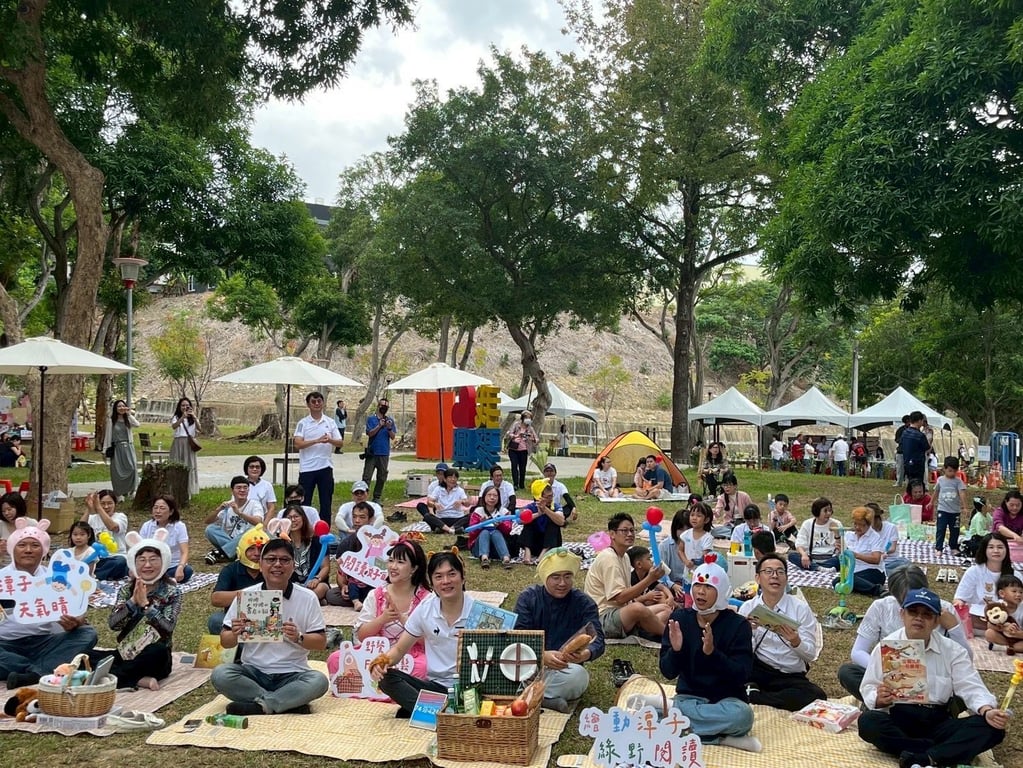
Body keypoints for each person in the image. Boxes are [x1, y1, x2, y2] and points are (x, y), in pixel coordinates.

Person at [858, 588, 1007, 768]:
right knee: (868, 722)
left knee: (992, 728)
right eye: (913, 612)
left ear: (936, 621)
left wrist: (986, 710)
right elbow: (868, 687)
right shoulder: (886, 647)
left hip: (938, 721)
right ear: (902, 615)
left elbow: (970, 685)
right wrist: (879, 699)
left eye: (927, 614)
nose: (919, 618)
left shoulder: (953, 650)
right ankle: (938, 753)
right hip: (900, 718)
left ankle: (923, 757)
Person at [212, 537, 329, 715]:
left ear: (293, 565)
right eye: (271, 559)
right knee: (220, 674)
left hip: (293, 673)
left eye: (284, 560)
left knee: (319, 681)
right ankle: (286, 702)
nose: (277, 564)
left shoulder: (307, 597)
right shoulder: (247, 596)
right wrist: (235, 633)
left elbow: (320, 642)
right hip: (253, 672)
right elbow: (225, 641)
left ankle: (262, 705)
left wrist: (299, 637)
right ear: (261, 564)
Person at [659, 560, 760, 753]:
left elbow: (742, 675)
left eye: (708, 586)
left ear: (721, 591)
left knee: (743, 716)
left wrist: (713, 654)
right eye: (697, 585)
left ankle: (676, 721)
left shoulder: (738, 625)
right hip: (688, 698)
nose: (700, 592)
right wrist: (677, 650)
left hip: (726, 702)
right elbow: (667, 672)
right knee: (646, 716)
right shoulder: (679, 620)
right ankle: (721, 739)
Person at [837, 565, 971, 700]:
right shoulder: (881, 607)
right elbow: (857, 652)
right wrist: (887, 670)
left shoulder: (944, 610)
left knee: (961, 689)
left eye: (924, 612)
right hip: (891, 677)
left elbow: (966, 658)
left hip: (933, 677)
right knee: (848, 672)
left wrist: (954, 628)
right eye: (908, 607)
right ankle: (881, 701)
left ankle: (917, 709)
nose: (918, 616)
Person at [371, 551, 477, 717]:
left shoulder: (479, 612)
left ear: (463, 577)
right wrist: (381, 663)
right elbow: (399, 650)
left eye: (452, 574)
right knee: (386, 679)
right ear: (432, 583)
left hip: (471, 688)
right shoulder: (426, 609)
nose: (446, 581)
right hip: (437, 687)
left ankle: (424, 710)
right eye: (439, 576)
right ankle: (437, 713)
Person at [0, 519, 97, 689]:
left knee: (87, 633)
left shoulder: (56, 579)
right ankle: (40, 669)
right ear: (13, 549)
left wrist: (75, 623)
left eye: (35, 546)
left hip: (44, 642)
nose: (28, 550)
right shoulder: (3, 579)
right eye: (22, 545)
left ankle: (33, 673)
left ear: (44, 551)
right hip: (5, 643)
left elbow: (79, 614)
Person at [327, 537, 430, 684]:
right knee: (335, 659)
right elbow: (362, 636)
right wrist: (383, 619)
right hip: (374, 652)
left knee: (423, 667)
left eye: (400, 562)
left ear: (414, 568)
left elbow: (430, 641)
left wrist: (401, 618)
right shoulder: (376, 594)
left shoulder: (426, 599)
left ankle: (385, 686)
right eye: (391, 560)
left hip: (411, 655)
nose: (393, 566)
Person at [514, 548, 605, 713]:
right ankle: (543, 698)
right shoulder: (528, 599)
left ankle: (527, 694)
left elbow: (597, 639)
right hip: (529, 664)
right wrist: (541, 655)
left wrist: (585, 654)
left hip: (563, 669)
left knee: (579, 677)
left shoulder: (584, 603)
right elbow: (518, 637)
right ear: (545, 577)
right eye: (556, 577)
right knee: (504, 661)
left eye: (567, 577)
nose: (562, 583)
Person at [94, 528, 182, 690]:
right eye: (141, 560)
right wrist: (133, 601)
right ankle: (135, 679)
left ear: (163, 562)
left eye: (153, 559)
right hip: (126, 652)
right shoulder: (126, 590)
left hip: (153, 655)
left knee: (159, 651)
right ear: (134, 563)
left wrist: (146, 606)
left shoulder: (172, 592)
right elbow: (114, 625)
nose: (147, 565)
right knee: (87, 655)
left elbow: (168, 627)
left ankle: (107, 678)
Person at [738, 553, 825, 711]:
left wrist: (796, 641)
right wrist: (748, 633)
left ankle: (756, 697)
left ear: (786, 578)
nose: (775, 576)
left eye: (780, 572)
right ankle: (756, 692)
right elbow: (740, 653)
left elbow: (811, 655)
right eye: (769, 572)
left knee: (816, 696)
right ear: (758, 578)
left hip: (790, 674)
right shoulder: (747, 608)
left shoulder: (800, 609)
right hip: (758, 669)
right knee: (727, 677)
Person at [584, 512, 670, 641]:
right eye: (624, 531)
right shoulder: (609, 558)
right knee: (638, 609)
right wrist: (649, 579)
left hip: (621, 612)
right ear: (612, 534)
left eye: (632, 530)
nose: (629, 534)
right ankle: (669, 636)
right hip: (602, 618)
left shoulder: (624, 557)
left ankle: (646, 629)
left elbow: (627, 598)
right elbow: (620, 598)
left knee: (666, 608)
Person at [207, 526, 268, 634]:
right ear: (241, 551)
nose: (257, 553)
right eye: (251, 549)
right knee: (216, 620)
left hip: (267, 620)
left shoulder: (273, 570)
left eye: (261, 549)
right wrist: (254, 595)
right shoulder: (231, 569)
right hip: (236, 620)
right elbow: (216, 599)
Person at [294, 391, 342, 524]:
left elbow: (340, 442)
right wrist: (316, 441)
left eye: (319, 401)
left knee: (326, 502)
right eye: (313, 402)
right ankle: (304, 527)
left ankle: (324, 529)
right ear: (308, 405)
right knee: (305, 501)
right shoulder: (303, 423)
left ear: (323, 403)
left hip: (325, 467)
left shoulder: (330, 422)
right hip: (307, 468)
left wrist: (330, 440)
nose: (316, 404)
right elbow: (297, 443)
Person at [954, 532, 1014, 636]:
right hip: (978, 617)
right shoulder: (973, 572)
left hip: (1007, 618)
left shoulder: (1015, 575)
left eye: (1000, 547)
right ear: (984, 550)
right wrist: (959, 604)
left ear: (1006, 550)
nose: (996, 551)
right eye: (991, 547)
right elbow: (959, 598)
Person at [204, 475, 263, 564]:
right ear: (232, 490)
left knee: (251, 530)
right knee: (210, 529)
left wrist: (240, 513)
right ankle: (234, 553)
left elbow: (258, 522)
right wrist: (219, 509)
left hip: (248, 541)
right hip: (229, 539)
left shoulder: (255, 504)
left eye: (245, 488)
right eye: (238, 488)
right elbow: (207, 521)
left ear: (248, 490)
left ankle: (222, 553)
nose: (242, 490)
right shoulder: (228, 505)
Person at [328, 502, 375, 610]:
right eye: (354, 517)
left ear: (371, 519)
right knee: (331, 595)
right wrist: (343, 586)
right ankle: (361, 601)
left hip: (374, 586)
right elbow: (340, 573)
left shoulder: (378, 542)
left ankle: (370, 600)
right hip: (355, 586)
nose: (357, 521)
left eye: (362, 517)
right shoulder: (346, 543)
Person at [139, 495, 191, 584]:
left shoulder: (179, 526)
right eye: (155, 508)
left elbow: (184, 551)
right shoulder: (147, 526)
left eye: (162, 508)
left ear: (171, 511)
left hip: (172, 565)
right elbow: (139, 549)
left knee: (187, 571)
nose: (158, 511)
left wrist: (180, 567)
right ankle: (162, 579)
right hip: (150, 565)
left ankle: (156, 579)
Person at [285, 504, 330, 602]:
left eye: (296, 517)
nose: (292, 520)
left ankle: (305, 600)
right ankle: (311, 600)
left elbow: (325, 567)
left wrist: (317, 579)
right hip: (291, 584)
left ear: (303, 518)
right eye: (289, 517)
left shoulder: (318, 541)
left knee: (320, 588)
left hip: (314, 584)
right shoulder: (282, 544)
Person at [81, 489, 129, 580]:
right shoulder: (93, 518)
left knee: (121, 563)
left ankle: (91, 576)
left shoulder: (121, 517)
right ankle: (99, 574)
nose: (106, 507)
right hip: (96, 558)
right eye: (103, 503)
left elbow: (113, 527)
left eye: (110, 503)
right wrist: (88, 509)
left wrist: (99, 508)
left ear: (115, 504)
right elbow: (80, 529)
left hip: (115, 557)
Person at [840, 506, 887, 597]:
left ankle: (877, 590)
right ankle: (867, 588)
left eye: (862, 525)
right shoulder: (849, 535)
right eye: (855, 524)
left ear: (869, 525)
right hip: (853, 571)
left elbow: (876, 559)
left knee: (848, 580)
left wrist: (856, 555)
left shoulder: (875, 537)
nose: (858, 527)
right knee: (838, 581)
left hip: (872, 570)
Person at [519, 479, 566, 565]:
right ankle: (527, 552)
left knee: (553, 522)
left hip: (551, 544)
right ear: (539, 497)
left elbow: (561, 521)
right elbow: (520, 520)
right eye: (547, 497)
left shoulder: (555, 506)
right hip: (535, 543)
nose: (550, 499)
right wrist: (538, 514)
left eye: (551, 496)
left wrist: (546, 510)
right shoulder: (531, 507)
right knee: (529, 521)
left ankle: (542, 555)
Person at [468, 485, 513, 569]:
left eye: (495, 495)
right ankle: (484, 558)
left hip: (498, 547)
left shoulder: (503, 512)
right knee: (485, 532)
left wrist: (500, 525)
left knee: (495, 532)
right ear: (484, 496)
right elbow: (471, 532)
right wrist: (481, 525)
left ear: (499, 498)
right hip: (479, 547)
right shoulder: (478, 511)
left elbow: (508, 530)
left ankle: (506, 558)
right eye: (489, 495)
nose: (492, 498)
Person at [788, 497, 840, 571]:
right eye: (825, 511)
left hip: (831, 558)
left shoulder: (836, 523)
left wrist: (837, 533)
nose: (828, 513)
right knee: (792, 556)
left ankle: (815, 567)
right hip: (812, 557)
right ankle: (819, 568)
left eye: (830, 510)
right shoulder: (807, 524)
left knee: (841, 559)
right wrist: (803, 555)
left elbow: (842, 548)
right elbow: (799, 544)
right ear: (817, 512)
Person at [416, 468, 471, 535]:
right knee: (427, 516)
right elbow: (429, 502)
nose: (453, 479)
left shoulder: (460, 490)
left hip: (457, 518)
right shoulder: (438, 489)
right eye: (450, 477)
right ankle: (452, 530)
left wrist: (462, 501)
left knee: (471, 515)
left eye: (455, 477)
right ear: (445, 479)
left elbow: (468, 504)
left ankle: (446, 529)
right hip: (441, 518)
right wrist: (435, 504)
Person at [103, 399, 139, 500]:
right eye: (119, 406)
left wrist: (128, 414)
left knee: (132, 468)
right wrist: (105, 450)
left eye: (123, 406)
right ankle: (119, 493)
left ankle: (132, 490)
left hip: (128, 447)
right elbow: (108, 436)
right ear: (115, 408)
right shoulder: (111, 421)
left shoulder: (128, 419)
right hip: (117, 449)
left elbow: (137, 424)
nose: (121, 408)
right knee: (117, 471)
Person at [362, 397, 396, 505]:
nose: (384, 408)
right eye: (382, 405)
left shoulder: (390, 420)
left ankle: (377, 496)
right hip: (372, 452)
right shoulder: (371, 419)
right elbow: (369, 433)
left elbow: (393, 437)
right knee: (367, 476)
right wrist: (379, 426)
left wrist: (389, 428)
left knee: (382, 476)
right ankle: (363, 496)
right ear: (378, 406)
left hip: (384, 452)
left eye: (386, 406)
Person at [933, 456, 969, 556]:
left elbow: (962, 494)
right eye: (949, 471)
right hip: (942, 510)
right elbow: (936, 491)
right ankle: (938, 548)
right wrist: (931, 502)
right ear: (944, 469)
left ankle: (953, 547)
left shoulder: (958, 482)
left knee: (955, 530)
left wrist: (965, 507)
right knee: (940, 529)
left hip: (955, 512)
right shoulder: (940, 480)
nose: (951, 473)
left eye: (954, 471)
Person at [867, 502, 910, 575]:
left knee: (905, 564)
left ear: (877, 518)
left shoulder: (891, 527)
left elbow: (892, 548)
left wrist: (882, 553)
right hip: (873, 561)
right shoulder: (866, 529)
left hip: (890, 561)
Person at [984, 574, 1023, 653]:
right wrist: (1004, 629)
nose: (1018, 594)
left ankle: (1006, 648)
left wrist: (1016, 634)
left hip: (1019, 637)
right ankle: (1009, 647)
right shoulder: (998, 606)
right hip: (1003, 635)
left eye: (1021, 592)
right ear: (1002, 593)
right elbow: (989, 625)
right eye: (1014, 591)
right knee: (989, 633)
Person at [659, 507, 691, 603]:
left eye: (688, 529)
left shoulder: (696, 545)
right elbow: (661, 572)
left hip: (691, 584)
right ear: (674, 528)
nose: (684, 534)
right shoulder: (665, 546)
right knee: (661, 595)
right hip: (671, 585)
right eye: (681, 529)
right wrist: (672, 585)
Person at [169, 397, 199, 497]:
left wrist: (194, 417)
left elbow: (200, 428)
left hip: (189, 443)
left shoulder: (193, 418)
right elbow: (174, 426)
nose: (185, 407)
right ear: (179, 407)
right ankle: (175, 490)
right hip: (178, 443)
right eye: (183, 405)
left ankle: (188, 490)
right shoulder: (176, 417)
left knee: (189, 465)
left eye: (187, 405)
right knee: (177, 465)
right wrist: (183, 417)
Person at [711, 473, 752, 537]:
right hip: (730, 525)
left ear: (735, 486)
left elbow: (752, 510)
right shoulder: (722, 498)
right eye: (724, 485)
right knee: (714, 532)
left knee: (747, 530)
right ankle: (737, 534)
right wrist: (715, 512)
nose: (726, 488)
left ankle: (737, 533)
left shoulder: (744, 496)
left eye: (729, 485)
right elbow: (717, 513)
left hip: (744, 523)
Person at [506, 410, 538, 490]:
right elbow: (509, 434)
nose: (528, 419)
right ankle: (515, 484)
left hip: (524, 450)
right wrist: (517, 435)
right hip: (514, 449)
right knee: (514, 465)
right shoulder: (516, 425)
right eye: (527, 418)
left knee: (522, 467)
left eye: (530, 418)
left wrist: (531, 438)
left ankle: (521, 483)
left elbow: (536, 439)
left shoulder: (530, 428)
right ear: (523, 418)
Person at [899, 411, 930, 486]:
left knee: (910, 483)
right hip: (917, 464)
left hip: (907, 462)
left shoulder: (905, 432)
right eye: (922, 421)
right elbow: (927, 448)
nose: (922, 423)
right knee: (918, 484)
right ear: (919, 420)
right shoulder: (920, 435)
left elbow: (901, 445)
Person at [0, 492, 27, 564]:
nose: (6, 513)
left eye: (9, 509)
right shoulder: (1, 525)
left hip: (27, 568)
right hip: (4, 567)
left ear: (18, 507)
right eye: (3, 511)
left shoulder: (32, 524)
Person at [894, 414, 910, 487]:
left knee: (909, 468)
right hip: (901, 451)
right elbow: (896, 440)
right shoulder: (900, 429)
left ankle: (908, 482)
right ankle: (899, 482)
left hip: (910, 452)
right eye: (907, 421)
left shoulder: (913, 429)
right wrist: (903, 440)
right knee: (900, 468)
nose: (908, 423)